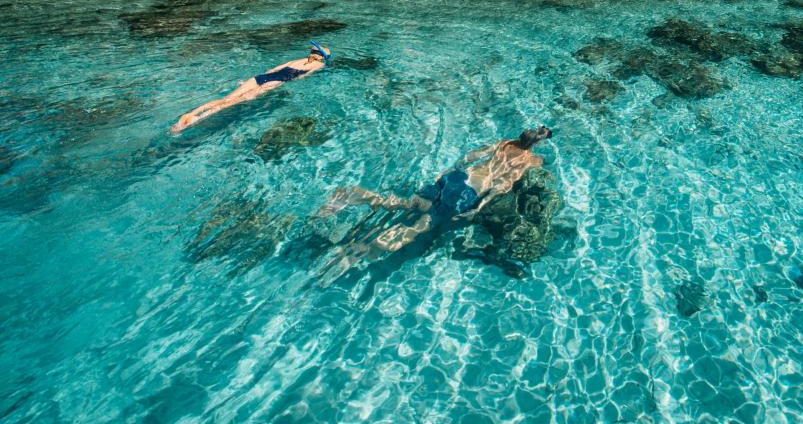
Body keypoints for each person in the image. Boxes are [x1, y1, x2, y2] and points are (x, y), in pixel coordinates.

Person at [316, 126, 552, 277]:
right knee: (422, 225)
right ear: (536, 144)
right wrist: (478, 208)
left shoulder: (503, 143)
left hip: (457, 177)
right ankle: (367, 250)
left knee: (410, 204)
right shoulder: (529, 160)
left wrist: (452, 169)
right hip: (467, 194)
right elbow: (503, 186)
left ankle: (359, 196)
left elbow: (471, 156)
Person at [171, 41, 332, 133]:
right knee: (231, 104)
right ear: (323, 58)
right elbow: (299, 78)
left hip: (259, 78)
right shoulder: (318, 66)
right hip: (273, 83)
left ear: (311, 51)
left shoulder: (296, 59)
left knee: (225, 99)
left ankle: (192, 114)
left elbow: (272, 70)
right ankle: (196, 120)